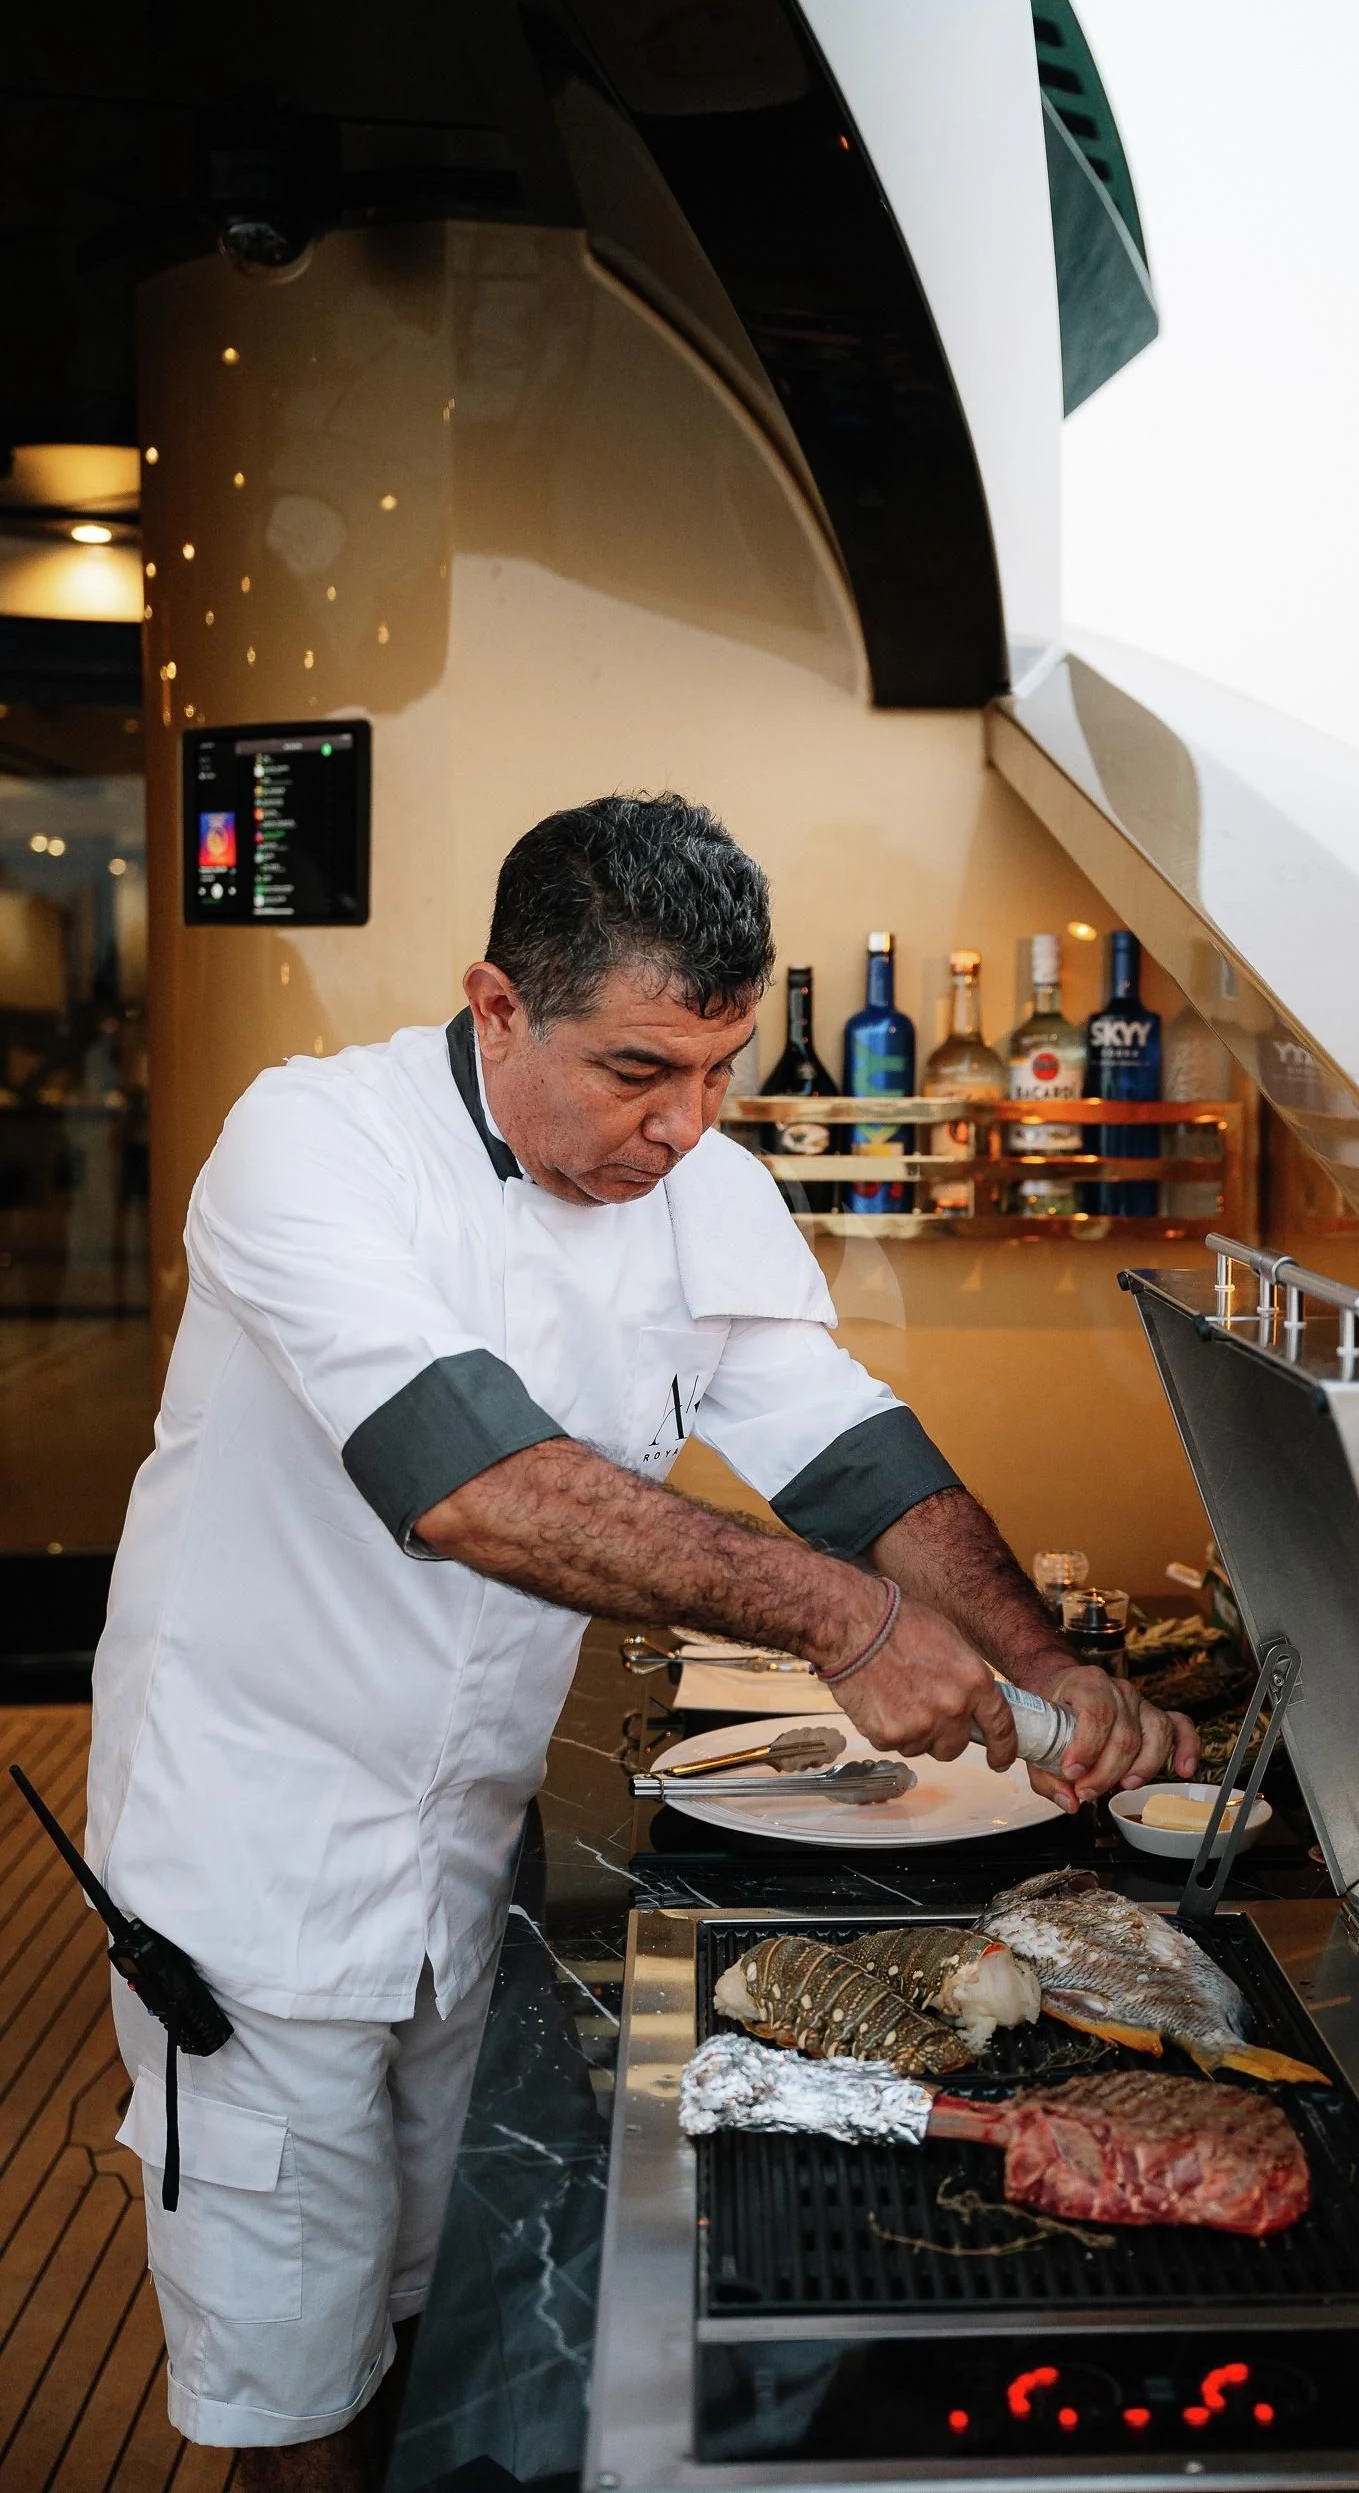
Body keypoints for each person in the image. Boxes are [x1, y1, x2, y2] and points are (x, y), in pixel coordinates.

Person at [87, 793, 1196, 2487]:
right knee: (293, 2377)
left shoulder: (703, 1185)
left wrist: (1043, 1667)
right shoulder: (311, 1143)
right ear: (498, 1003)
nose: (686, 1125)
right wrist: (843, 1619)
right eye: (636, 1072)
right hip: (255, 1853)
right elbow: (469, 1483)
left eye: (719, 1069)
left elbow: (853, 1453)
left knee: (433, 2302)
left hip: (466, 1842)